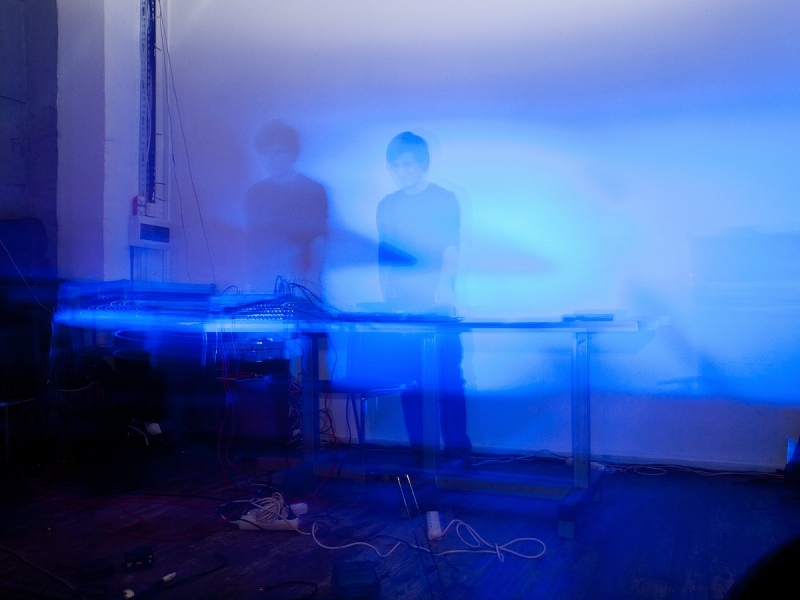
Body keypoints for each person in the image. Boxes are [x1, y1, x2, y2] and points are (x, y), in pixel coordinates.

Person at [377, 131, 471, 462]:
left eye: (408, 164)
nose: (402, 172)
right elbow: (385, 255)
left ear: (423, 164)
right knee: (411, 381)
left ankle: (458, 452)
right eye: (396, 166)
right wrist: (387, 299)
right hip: (402, 306)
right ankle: (419, 451)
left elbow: (450, 248)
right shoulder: (387, 205)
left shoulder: (444, 198)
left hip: (438, 304)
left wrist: (445, 288)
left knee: (448, 379)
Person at [244, 121, 328, 292]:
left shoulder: (313, 191)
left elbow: (320, 243)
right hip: (263, 282)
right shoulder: (254, 194)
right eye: (265, 153)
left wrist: (312, 282)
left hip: (304, 284)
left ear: (292, 153)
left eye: (277, 152)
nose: (270, 160)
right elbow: (253, 244)